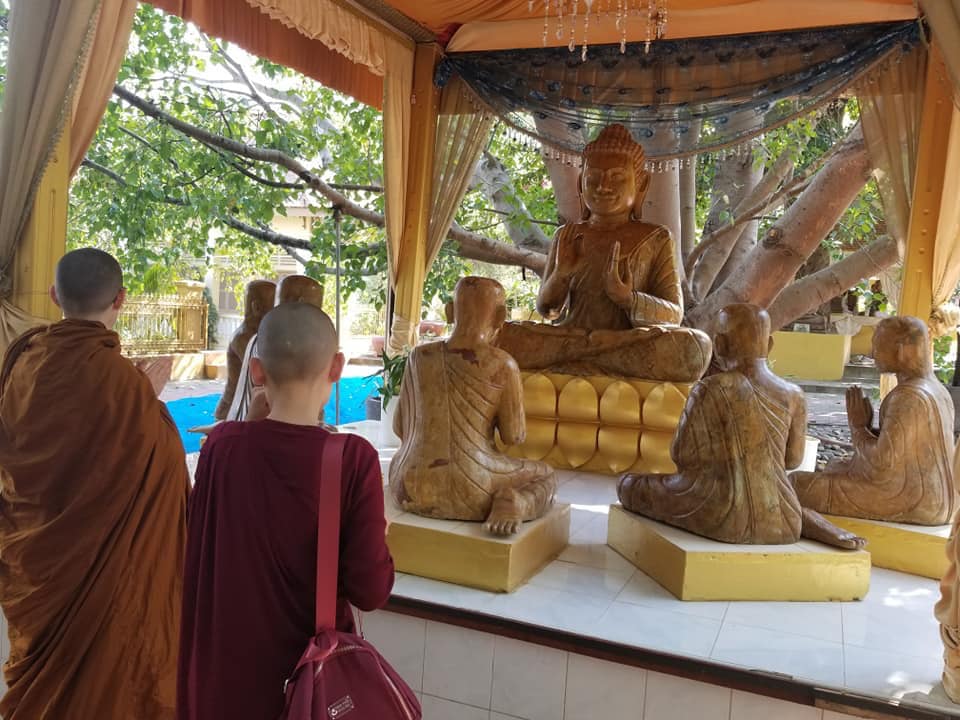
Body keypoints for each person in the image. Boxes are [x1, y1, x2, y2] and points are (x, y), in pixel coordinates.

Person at [178, 302, 394, 720]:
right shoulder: (352, 459)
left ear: (256, 371)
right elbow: (371, 590)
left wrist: (249, 425)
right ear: (337, 367)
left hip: (225, 684)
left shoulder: (221, 447)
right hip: (303, 690)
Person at [0, 248, 189, 719]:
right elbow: (166, 474)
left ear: (54, 295)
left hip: (39, 576)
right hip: (104, 600)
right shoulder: (127, 385)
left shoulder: (23, 363)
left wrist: (139, 398)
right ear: (120, 299)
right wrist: (147, 398)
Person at [617, 303, 863, 548]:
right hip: (783, 517)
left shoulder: (711, 387)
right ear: (769, 344)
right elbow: (792, 460)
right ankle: (809, 522)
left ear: (719, 345)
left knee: (629, 485)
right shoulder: (794, 395)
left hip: (718, 512)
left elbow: (680, 454)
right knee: (784, 497)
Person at [496, 123, 711, 382]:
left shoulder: (657, 237)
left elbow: (673, 315)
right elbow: (547, 310)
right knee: (504, 335)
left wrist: (629, 299)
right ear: (580, 183)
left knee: (693, 347)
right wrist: (561, 275)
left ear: (641, 184)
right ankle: (596, 358)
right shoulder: (567, 235)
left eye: (617, 178)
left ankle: (582, 360)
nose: (603, 187)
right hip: (574, 337)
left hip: (624, 340)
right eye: (593, 178)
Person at [389, 277, 557, 536]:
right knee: (545, 475)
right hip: (475, 485)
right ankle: (518, 503)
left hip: (408, 485)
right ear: (501, 317)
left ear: (449, 311)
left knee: (401, 458)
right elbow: (514, 436)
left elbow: (399, 427)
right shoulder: (503, 364)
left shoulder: (418, 357)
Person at [793, 316, 956, 525]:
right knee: (834, 465)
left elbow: (882, 464)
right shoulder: (938, 390)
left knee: (797, 484)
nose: (872, 354)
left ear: (900, 351)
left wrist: (858, 427)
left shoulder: (909, 397)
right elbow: (906, 452)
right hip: (940, 499)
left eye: (878, 347)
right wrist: (870, 430)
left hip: (913, 501)